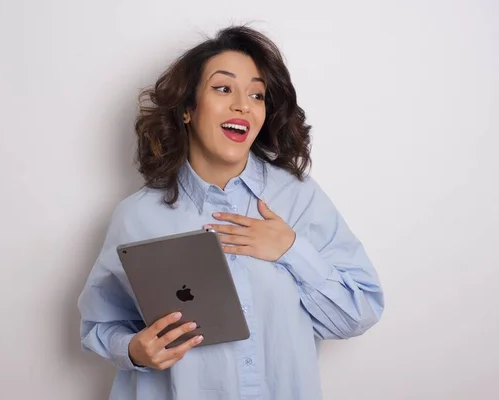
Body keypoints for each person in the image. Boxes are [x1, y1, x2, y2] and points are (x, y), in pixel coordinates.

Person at [78, 25, 384, 400]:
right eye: (223, 89)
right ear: (187, 109)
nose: (243, 104)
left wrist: (290, 249)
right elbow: (99, 324)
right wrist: (133, 351)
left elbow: (359, 313)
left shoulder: (299, 199)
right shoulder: (137, 216)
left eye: (257, 94)